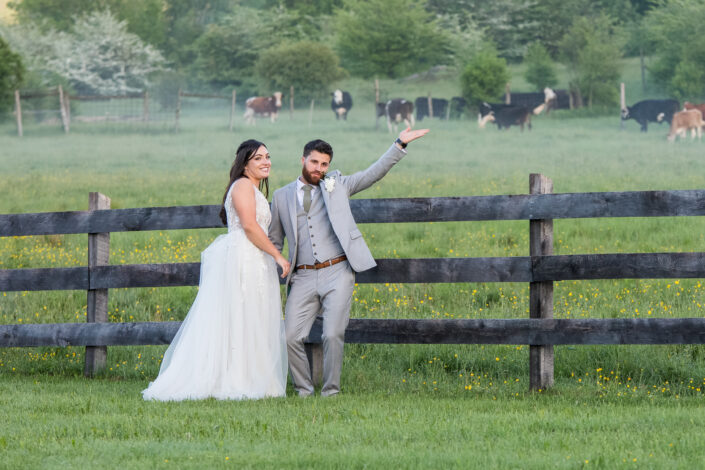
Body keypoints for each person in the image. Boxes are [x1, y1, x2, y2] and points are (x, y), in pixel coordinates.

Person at [269, 127, 429, 397]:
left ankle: (331, 392)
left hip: (338, 271)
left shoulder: (337, 184)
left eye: (324, 164)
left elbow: (372, 174)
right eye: (315, 162)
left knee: (332, 334)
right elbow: (274, 241)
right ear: (303, 160)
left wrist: (399, 144)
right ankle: (303, 391)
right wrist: (275, 271)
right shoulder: (281, 196)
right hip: (303, 276)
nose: (319, 168)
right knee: (290, 337)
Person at [143, 139, 291, 401]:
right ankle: (235, 379)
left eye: (267, 157)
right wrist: (278, 255)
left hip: (255, 258)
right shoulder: (243, 185)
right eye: (258, 158)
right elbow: (249, 226)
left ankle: (253, 376)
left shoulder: (254, 189)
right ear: (245, 164)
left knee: (253, 317)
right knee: (240, 315)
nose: (266, 162)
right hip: (243, 257)